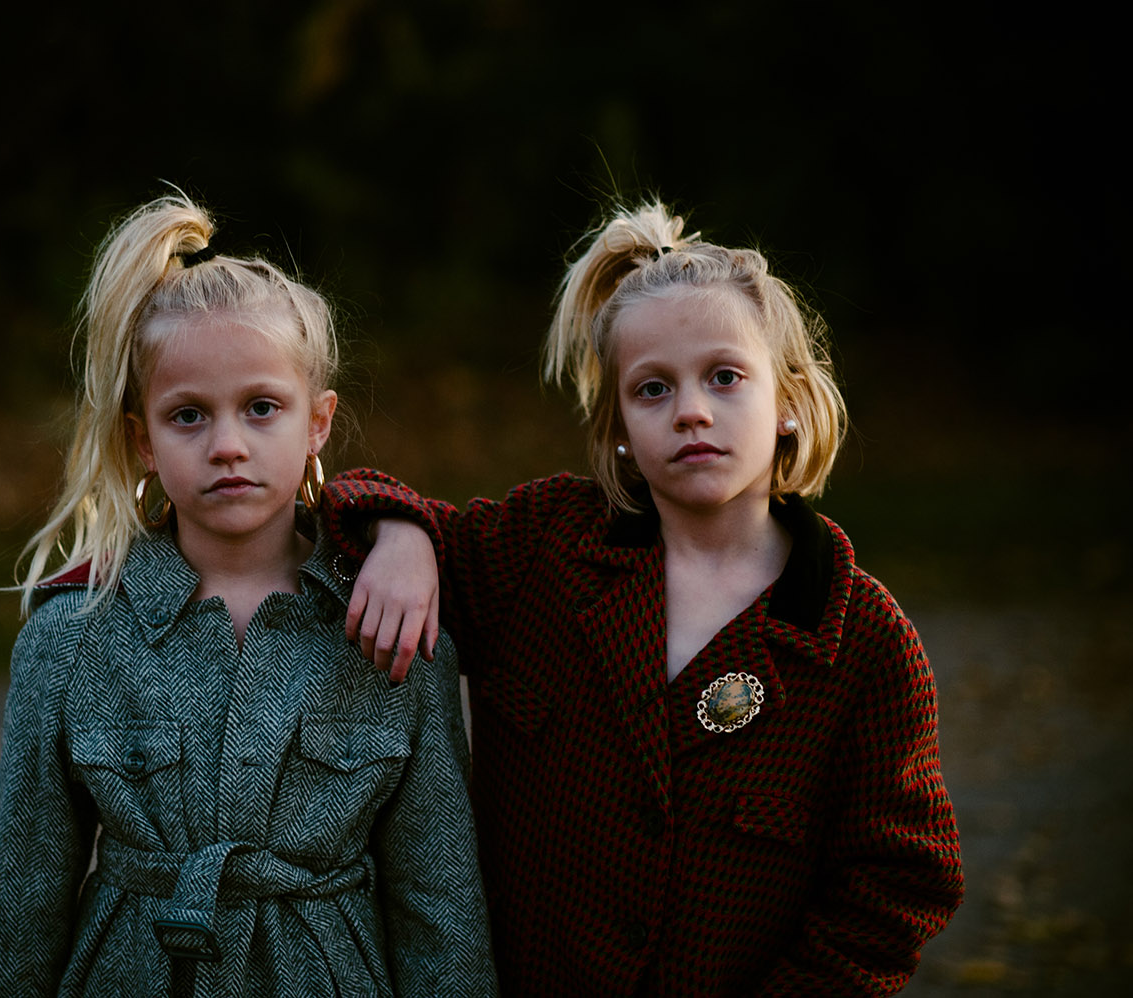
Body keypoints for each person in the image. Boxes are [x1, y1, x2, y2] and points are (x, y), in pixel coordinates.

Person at [321, 201, 964, 996]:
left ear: (790, 400)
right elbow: (357, 505)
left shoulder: (862, 641)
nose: (691, 409)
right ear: (619, 424)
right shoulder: (547, 546)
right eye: (653, 389)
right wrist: (403, 533)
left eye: (725, 377)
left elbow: (897, 886)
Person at [0, 194, 496, 998]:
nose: (227, 446)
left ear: (318, 422)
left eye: (261, 408)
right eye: (188, 416)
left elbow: (439, 900)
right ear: (142, 438)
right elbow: (26, 895)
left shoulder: (392, 622)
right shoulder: (70, 636)